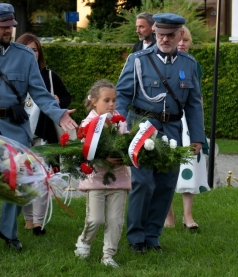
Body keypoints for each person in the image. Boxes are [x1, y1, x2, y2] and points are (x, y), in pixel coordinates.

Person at [0, 3, 78, 254]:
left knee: (18, 182)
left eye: (11, 26)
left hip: (14, 128)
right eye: (3, 26)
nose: (9, 30)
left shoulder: (25, 55)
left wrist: (60, 114)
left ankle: (9, 233)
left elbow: (40, 94)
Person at [116, 13, 205, 253]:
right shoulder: (137, 60)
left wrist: (197, 137)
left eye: (170, 35)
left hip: (173, 132)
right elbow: (122, 95)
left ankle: (152, 237)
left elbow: (194, 103)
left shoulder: (188, 63)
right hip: (143, 131)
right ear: (154, 33)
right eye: (161, 34)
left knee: (166, 185)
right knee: (143, 183)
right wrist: (121, 125)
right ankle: (136, 237)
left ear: (179, 35)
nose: (165, 39)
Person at [16, 33, 72, 235]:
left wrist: (58, 101)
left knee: (41, 180)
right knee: (23, 181)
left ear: (39, 52)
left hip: (43, 136)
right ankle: (28, 219)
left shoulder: (48, 76)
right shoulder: (12, 75)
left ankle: (39, 223)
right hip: (20, 137)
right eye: (26, 49)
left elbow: (66, 98)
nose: (31, 53)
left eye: (34, 50)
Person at [74, 80, 131, 268]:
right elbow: (84, 151)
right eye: (106, 100)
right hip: (96, 180)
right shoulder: (88, 123)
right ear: (94, 101)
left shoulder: (120, 122)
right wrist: (103, 158)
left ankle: (108, 256)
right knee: (95, 219)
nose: (112, 105)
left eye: (114, 100)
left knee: (115, 220)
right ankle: (84, 241)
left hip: (118, 179)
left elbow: (129, 142)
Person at [164, 26, 210, 229]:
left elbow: (196, 97)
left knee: (190, 164)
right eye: (179, 39)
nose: (182, 43)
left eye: (187, 40)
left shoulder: (193, 65)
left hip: (188, 121)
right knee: (165, 164)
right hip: (168, 118)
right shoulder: (159, 61)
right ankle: (168, 217)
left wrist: (198, 127)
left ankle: (188, 216)